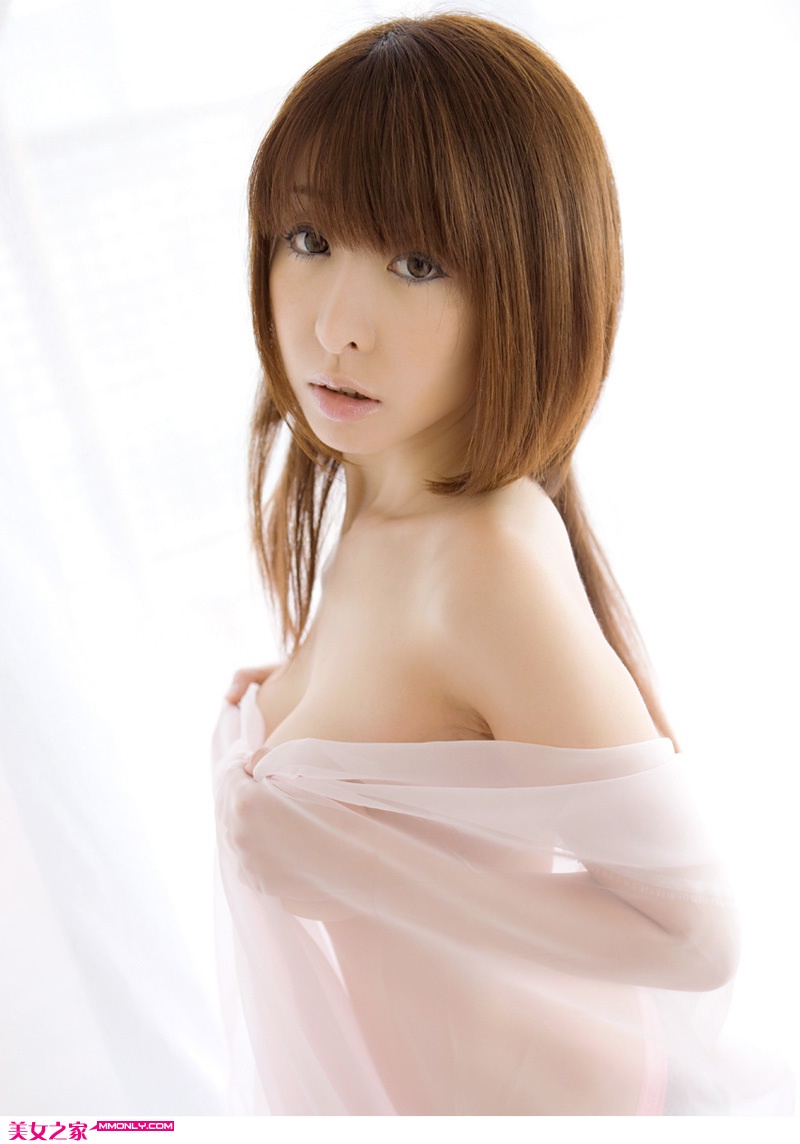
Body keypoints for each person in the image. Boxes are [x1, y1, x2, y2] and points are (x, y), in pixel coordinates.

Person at [212, 13, 787, 1115]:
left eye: (417, 263)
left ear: (531, 286)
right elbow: (431, 740)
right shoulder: (380, 503)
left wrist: (346, 858)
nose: (336, 325)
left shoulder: (481, 562)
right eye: (309, 238)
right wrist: (286, 709)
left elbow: (696, 933)